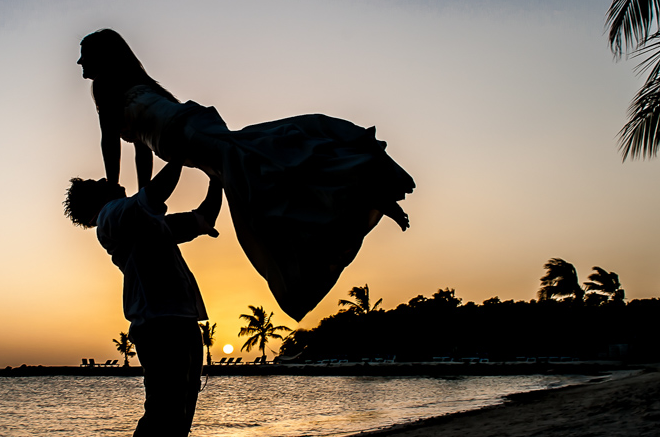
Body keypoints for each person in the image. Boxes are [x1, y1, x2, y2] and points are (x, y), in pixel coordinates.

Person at [77, 28, 415, 321]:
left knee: (264, 177)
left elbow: (112, 140)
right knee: (262, 175)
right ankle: (357, 186)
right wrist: (140, 195)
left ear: (102, 56)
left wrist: (112, 185)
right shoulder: (137, 85)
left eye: (84, 58)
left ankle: (360, 183)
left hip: (181, 136)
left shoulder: (106, 85)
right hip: (188, 127)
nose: (80, 68)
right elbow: (140, 150)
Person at [64, 163, 222, 437]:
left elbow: (201, 219)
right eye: (98, 183)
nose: (108, 179)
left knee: (174, 416)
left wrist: (217, 178)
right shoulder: (111, 215)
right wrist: (179, 152)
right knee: (165, 412)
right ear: (94, 201)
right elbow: (157, 191)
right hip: (160, 323)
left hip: (175, 321)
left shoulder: (143, 220)